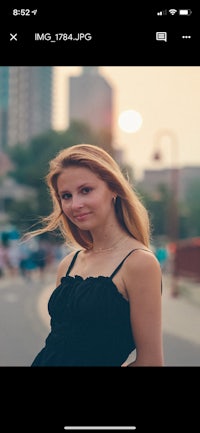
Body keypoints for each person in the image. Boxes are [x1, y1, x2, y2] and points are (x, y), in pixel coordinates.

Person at [28, 143, 164, 367]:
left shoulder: (139, 263)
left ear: (113, 189)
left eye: (86, 190)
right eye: (66, 196)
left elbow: (151, 361)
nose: (75, 204)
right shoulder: (68, 264)